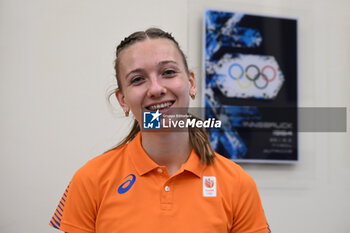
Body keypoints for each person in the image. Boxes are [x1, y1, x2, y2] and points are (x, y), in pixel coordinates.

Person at [49, 28, 271, 233]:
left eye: (168, 72)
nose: (156, 89)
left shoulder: (238, 184)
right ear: (123, 99)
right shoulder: (90, 180)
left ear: (191, 83)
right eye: (138, 79)